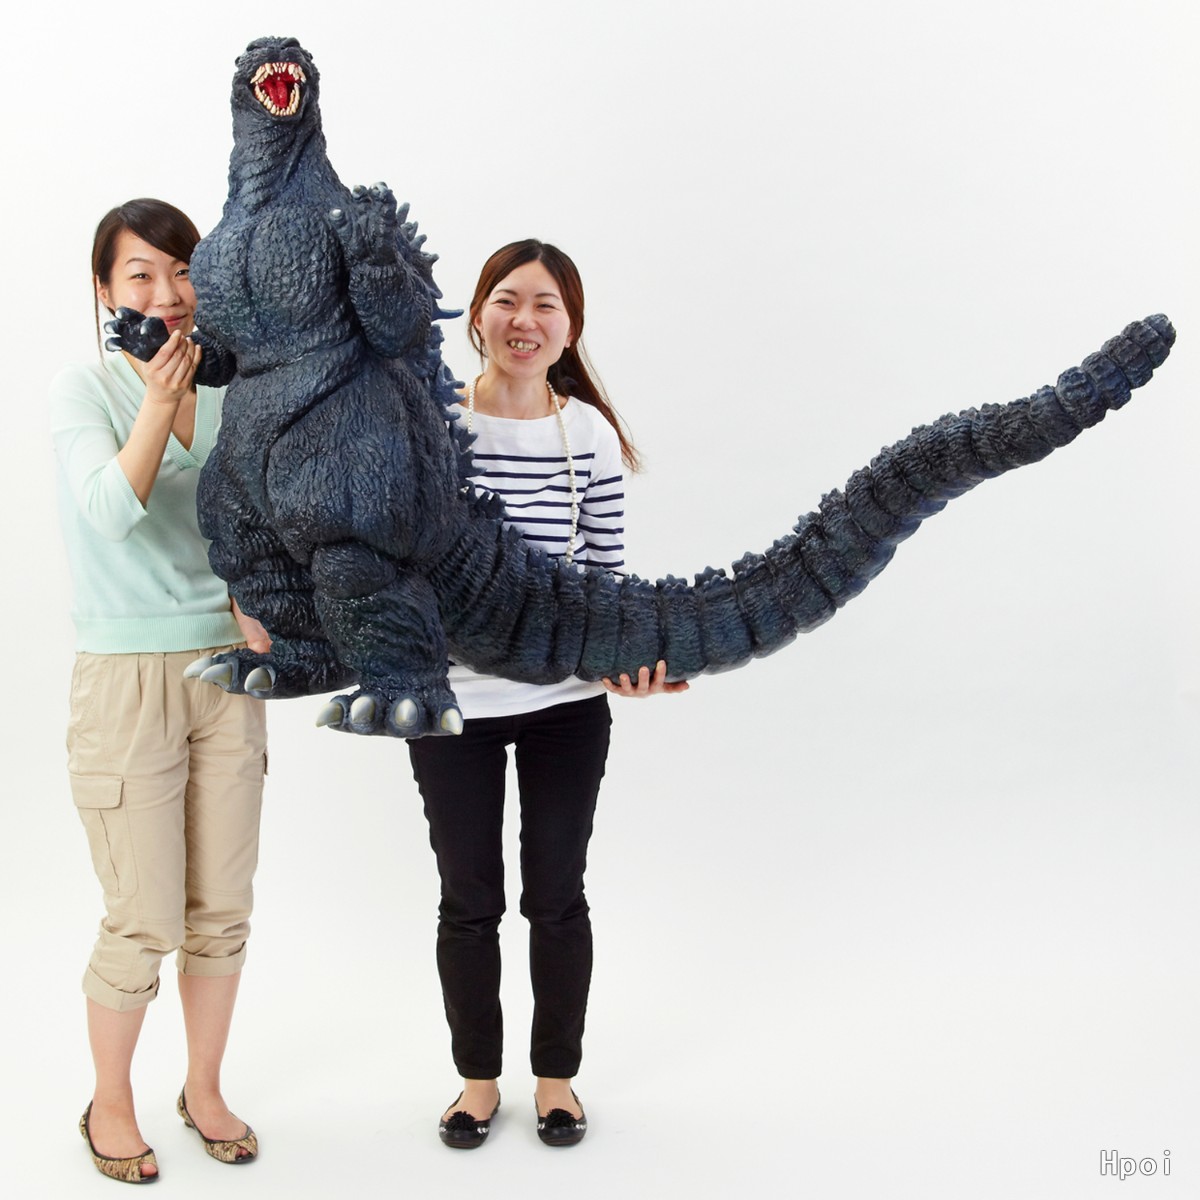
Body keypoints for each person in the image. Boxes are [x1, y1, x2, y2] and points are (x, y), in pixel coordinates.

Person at [407, 239, 687, 1150]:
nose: (523, 320)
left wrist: (628, 663)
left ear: (570, 328)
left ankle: (556, 1080)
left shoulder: (589, 435)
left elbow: (603, 580)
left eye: (546, 306)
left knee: (557, 896)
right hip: (454, 705)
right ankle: (477, 1084)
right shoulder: (433, 419)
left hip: (565, 707)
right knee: (468, 899)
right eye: (506, 300)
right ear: (477, 314)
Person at [51, 198, 269, 1183]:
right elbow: (109, 511)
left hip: (228, 672)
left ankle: (205, 1088)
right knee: (142, 916)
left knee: (220, 908)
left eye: (182, 270)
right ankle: (109, 1103)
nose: (167, 291)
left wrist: (259, 600)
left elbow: (257, 521)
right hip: (127, 679)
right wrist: (154, 398)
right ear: (106, 291)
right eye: (140, 273)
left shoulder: (233, 389)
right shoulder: (84, 388)